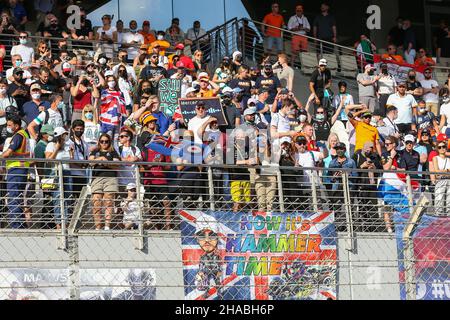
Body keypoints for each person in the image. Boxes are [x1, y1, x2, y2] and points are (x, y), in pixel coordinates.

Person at [0, 115, 31, 229]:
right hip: (20, 170)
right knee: (17, 198)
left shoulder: (18, 136)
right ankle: (21, 225)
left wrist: (1, 157)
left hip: (16, 170)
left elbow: (8, 153)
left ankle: (17, 226)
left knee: (13, 198)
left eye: (9, 125)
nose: (7, 127)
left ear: (16, 126)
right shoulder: (24, 134)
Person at [89, 133, 121, 231]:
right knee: (96, 202)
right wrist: (101, 159)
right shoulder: (95, 151)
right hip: (97, 178)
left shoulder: (113, 152)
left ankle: (107, 226)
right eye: (102, 141)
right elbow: (90, 162)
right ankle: (98, 227)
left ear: (109, 142)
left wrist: (105, 162)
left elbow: (117, 165)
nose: (104, 143)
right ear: (99, 142)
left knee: (109, 201)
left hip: (110, 178)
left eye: (106, 141)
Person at [44, 127, 73, 230]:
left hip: (67, 172)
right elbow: (49, 160)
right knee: (58, 198)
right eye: (64, 134)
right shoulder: (50, 145)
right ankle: (59, 225)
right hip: (56, 173)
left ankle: (67, 223)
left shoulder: (68, 145)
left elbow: (71, 160)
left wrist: (72, 153)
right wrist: (56, 148)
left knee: (68, 198)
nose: (66, 136)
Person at [352, 141, 382, 232]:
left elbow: (380, 169)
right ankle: (362, 230)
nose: (369, 150)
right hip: (361, 186)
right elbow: (352, 171)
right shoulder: (357, 156)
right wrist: (362, 166)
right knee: (363, 210)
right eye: (368, 148)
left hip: (372, 187)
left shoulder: (375, 157)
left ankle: (374, 231)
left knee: (373, 210)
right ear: (364, 147)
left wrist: (374, 167)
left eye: (371, 148)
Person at [99, 75, 127, 147]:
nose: (111, 82)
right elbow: (102, 105)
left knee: (116, 139)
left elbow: (123, 105)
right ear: (107, 82)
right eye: (109, 81)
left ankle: (116, 154)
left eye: (113, 80)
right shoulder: (104, 92)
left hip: (118, 118)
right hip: (108, 119)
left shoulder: (120, 93)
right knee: (108, 137)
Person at [68, 120, 89, 198]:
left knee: (81, 198)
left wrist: (84, 165)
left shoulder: (85, 144)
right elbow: (70, 160)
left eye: (81, 129)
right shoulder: (68, 142)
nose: (79, 131)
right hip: (72, 174)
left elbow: (86, 158)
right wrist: (80, 164)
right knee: (72, 198)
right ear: (73, 130)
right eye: (77, 129)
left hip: (83, 175)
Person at [117, 128, 142, 196]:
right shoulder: (118, 149)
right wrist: (131, 159)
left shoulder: (135, 149)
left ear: (128, 138)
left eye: (122, 136)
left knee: (131, 199)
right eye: (119, 136)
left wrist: (123, 159)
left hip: (132, 180)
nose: (120, 138)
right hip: (120, 180)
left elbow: (139, 159)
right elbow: (117, 159)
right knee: (119, 202)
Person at [432, 140, 450, 216]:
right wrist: (447, 170)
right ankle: (438, 217)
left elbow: (440, 171)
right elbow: (436, 171)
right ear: (437, 149)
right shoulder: (435, 158)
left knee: (449, 201)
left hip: (449, 180)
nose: (442, 148)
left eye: (443, 146)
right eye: (440, 147)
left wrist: (442, 172)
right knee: (439, 199)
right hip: (440, 181)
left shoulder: (448, 159)